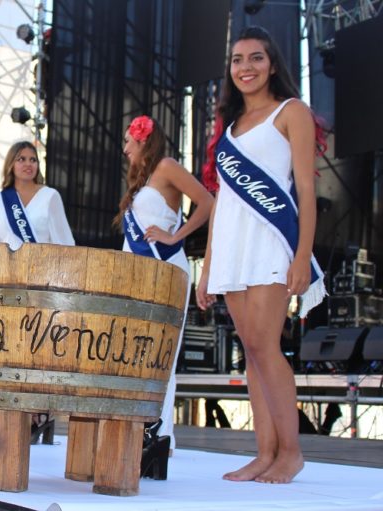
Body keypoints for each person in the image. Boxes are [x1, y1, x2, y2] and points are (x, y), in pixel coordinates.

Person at [196, 26, 327, 484]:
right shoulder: (229, 128)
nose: (245, 67)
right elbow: (221, 203)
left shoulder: (292, 112)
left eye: (255, 58)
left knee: (265, 346)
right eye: (237, 60)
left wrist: (302, 255)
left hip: (271, 240)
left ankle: (290, 452)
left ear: (272, 64)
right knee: (250, 351)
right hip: (232, 245)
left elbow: (307, 192)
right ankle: (264, 453)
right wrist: (208, 268)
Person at [116, 115, 213, 455]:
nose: (125, 148)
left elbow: (207, 203)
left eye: (129, 140)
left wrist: (176, 235)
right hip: (138, 272)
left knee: (163, 355)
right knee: (137, 351)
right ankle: (140, 429)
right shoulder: (140, 182)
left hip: (165, 266)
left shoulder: (168, 166)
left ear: (144, 140)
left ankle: (161, 437)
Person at [0, 141, 75, 249]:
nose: (28, 164)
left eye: (33, 160)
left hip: (41, 264)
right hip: (7, 265)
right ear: (11, 165)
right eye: (21, 159)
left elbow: (65, 243)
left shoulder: (50, 196)